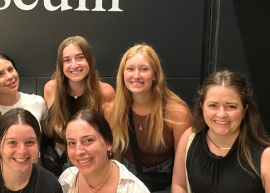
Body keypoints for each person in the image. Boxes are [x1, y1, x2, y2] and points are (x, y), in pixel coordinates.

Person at [105, 43, 190, 192]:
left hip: (166, 180)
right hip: (128, 177)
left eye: (144, 69)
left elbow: (183, 168)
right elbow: (115, 161)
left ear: (155, 74)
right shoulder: (112, 110)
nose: (136, 75)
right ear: (123, 74)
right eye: (130, 69)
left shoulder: (177, 113)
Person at [172, 70, 270, 193]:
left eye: (231, 106)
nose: (221, 114)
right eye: (213, 105)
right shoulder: (189, 138)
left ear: (244, 109)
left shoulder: (266, 156)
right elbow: (179, 186)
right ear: (202, 106)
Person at [42, 36, 115, 175]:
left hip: (90, 163)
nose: (74, 65)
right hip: (55, 165)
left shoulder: (106, 92)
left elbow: (110, 139)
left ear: (89, 60)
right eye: (67, 60)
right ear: (61, 64)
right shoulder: (51, 89)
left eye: (80, 58)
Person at [59, 109, 150, 193]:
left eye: (88, 140)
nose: (78, 151)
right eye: (72, 143)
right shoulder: (66, 181)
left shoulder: (134, 190)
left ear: (108, 143)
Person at [0, 53, 47, 142]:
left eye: (10, 69)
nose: (10, 77)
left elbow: (47, 138)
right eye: (0, 74)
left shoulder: (38, 102)